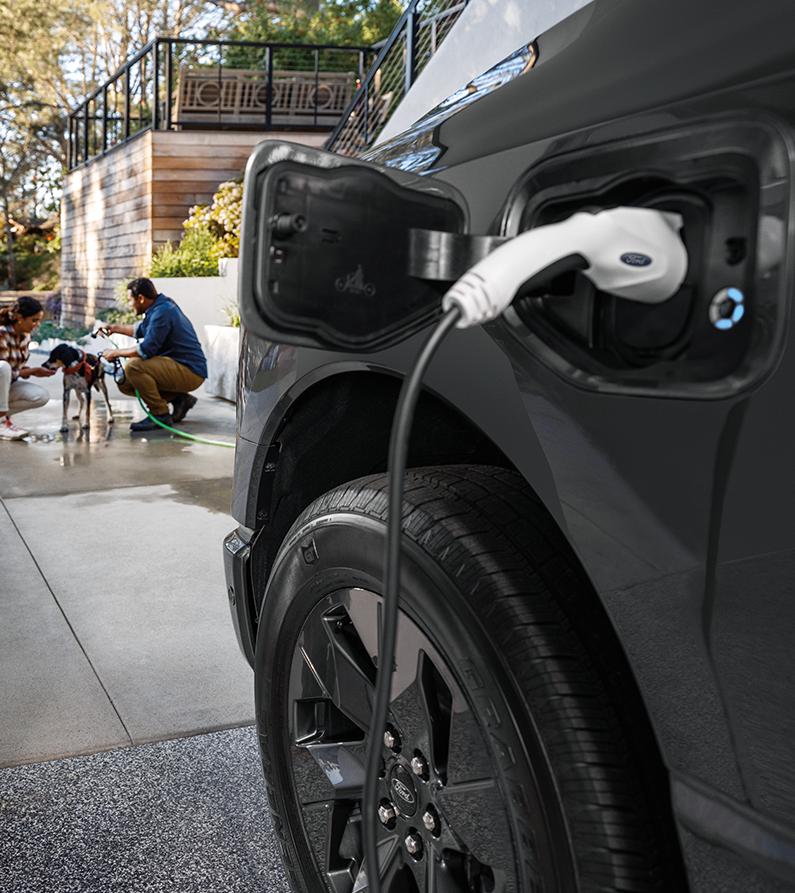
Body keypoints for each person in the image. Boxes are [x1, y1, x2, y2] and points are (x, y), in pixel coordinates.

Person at [102, 278, 208, 433]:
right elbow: (138, 330)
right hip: (178, 367)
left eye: (130, 300)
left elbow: (146, 349)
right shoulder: (158, 308)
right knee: (126, 382)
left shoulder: (162, 312)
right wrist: (114, 328)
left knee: (134, 366)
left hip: (190, 371)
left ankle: (160, 414)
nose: (129, 304)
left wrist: (115, 353)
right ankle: (179, 399)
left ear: (141, 298)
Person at [0, 296, 54, 440]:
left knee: (40, 396)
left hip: (5, 387)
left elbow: (15, 369)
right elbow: (4, 371)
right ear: (19, 318)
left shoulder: (25, 337)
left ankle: (2, 418)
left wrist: (30, 370)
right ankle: (2, 423)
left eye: (39, 321)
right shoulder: (1, 333)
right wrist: (33, 371)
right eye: (34, 320)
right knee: (2, 367)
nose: (37, 325)